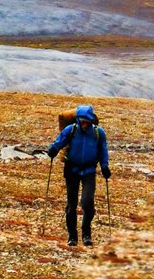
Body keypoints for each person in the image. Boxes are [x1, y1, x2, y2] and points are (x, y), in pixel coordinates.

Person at [47, 104, 110, 247]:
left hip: (89, 170)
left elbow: (103, 151)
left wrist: (105, 166)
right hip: (72, 169)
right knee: (72, 204)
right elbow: (59, 141)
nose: (84, 124)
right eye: (82, 120)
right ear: (78, 120)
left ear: (91, 120)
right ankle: (72, 236)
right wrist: (54, 149)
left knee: (87, 202)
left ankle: (86, 233)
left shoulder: (98, 133)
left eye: (87, 121)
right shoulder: (71, 130)